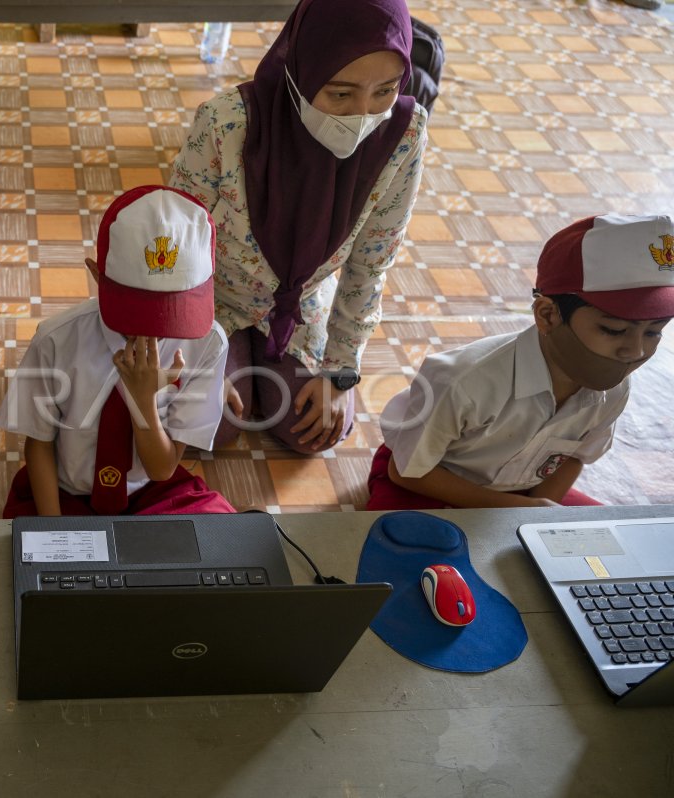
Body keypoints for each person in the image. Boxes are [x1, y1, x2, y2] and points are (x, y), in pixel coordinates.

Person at [170, 0, 427, 454]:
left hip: (301, 305)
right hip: (212, 297)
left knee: (312, 430)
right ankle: (234, 348)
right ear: (300, 71)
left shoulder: (403, 137)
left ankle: (260, 351)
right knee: (206, 427)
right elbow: (174, 245)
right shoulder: (227, 123)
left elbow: (371, 264)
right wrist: (196, 350)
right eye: (340, 94)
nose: (361, 115)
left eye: (385, 91)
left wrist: (340, 373)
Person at [367, 214, 674, 510]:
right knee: (417, 557)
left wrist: (536, 513)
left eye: (654, 331)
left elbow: (575, 456)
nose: (635, 351)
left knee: (605, 548)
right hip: (427, 480)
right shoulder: (462, 381)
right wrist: (519, 510)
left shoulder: (613, 388)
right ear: (547, 314)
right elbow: (406, 471)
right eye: (614, 330)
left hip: (523, 491)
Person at [0, 186, 235, 517]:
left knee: (214, 534)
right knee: (29, 551)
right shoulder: (56, 340)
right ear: (97, 275)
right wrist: (55, 529)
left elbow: (162, 470)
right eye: (137, 312)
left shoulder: (207, 344)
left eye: (170, 313)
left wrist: (143, 403)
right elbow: (38, 444)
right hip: (68, 492)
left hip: (152, 492)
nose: (150, 333)